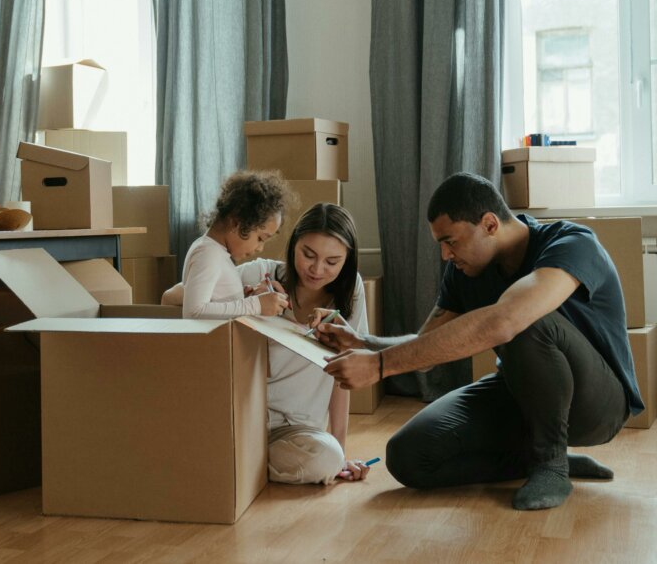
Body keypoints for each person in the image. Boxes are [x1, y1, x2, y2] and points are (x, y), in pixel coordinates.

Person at [319, 172, 643, 510]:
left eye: (451, 241)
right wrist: (365, 344)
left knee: (524, 319)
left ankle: (551, 464)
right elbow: (427, 347)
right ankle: (536, 458)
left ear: (489, 224)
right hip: (521, 395)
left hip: (598, 406)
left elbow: (506, 321)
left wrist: (380, 366)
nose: (445, 255)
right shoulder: (464, 271)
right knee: (408, 457)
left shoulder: (572, 243)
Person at [167, 202, 374, 484]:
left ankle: (234, 462)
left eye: (332, 262)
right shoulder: (260, 273)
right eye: (308, 254)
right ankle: (236, 460)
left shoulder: (351, 293)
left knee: (327, 458)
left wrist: (340, 451)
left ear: (347, 261)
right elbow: (172, 297)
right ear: (293, 245)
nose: (316, 269)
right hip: (241, 418)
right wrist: (247, 300)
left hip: (296, 431)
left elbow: (344, 374)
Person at [180, 170, 292, 319]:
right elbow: (193, 312)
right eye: (260, 238)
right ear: (236, 222)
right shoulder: (208, 253)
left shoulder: (217, 253)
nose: (260, 248)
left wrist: (244, 299)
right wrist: (255, 305)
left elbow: (216, 306)